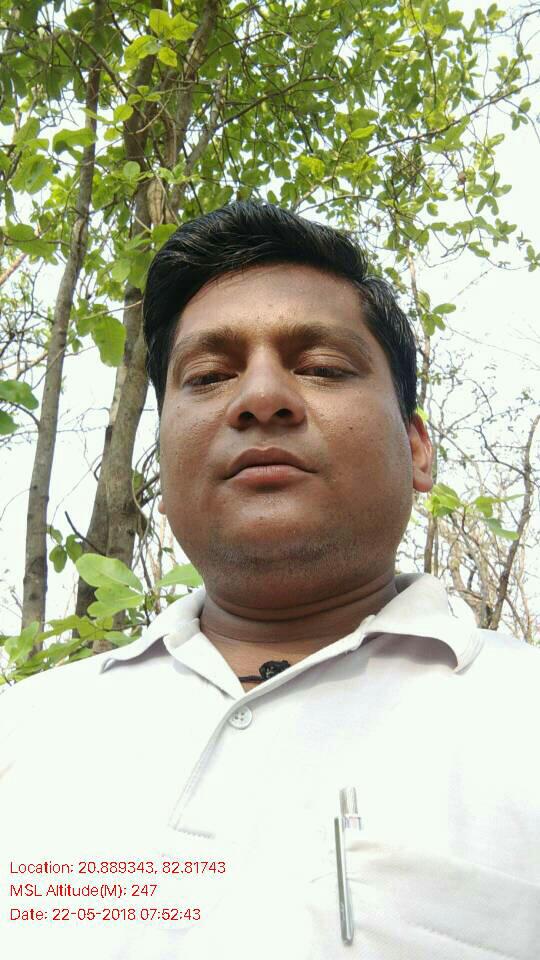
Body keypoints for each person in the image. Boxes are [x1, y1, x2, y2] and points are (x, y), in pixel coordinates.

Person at [1, 201, 539, 960]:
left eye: (321, 368)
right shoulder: (24, 733)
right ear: (164, 453)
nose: (260, 398)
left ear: (418, 449)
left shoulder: (522, 721)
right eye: (208, 376)